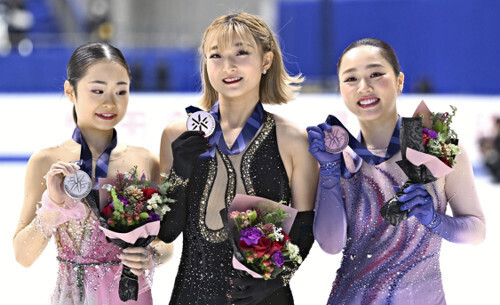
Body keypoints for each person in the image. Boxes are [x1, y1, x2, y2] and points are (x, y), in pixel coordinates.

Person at [307, 38, 486, 304]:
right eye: (351, 79)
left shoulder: (437, 147)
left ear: (400, 81)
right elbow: (331, 245)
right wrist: (330, 172)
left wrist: (434, 220)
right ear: (340, 89)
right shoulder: (338, 156)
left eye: (376, 74)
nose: (364, 87)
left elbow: (476, 231)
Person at [157, 12, 318, 305]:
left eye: (241, 53)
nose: (228, 66)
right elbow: (167, 232)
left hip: (264, 299)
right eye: (215, 55)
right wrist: (179, 174)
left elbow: (305, 229)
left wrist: (276, 280)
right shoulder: (177, 134)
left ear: (266, 60)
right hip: (192, 296)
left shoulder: (294, 140)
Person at [12, 42, 173, 305]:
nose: (110, 102)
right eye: (98, 90)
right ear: (70, 91)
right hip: (74, 297)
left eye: (121, 91)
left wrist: (151, 255)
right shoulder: (46, 162)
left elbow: (166, 244)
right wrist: (54, 207)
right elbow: (23, 256)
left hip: (131, 296)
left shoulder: (144, 160)